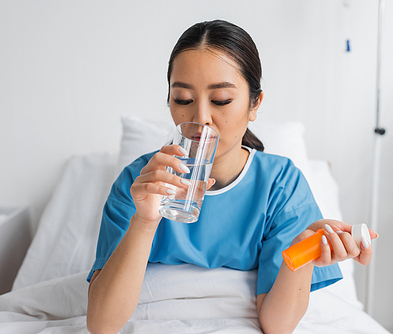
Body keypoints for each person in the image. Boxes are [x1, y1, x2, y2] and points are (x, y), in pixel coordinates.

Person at [86, 19, 376, 334]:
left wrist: (303, 252)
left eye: (221, 100)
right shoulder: (140, 182)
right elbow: (101, 324)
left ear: (254, 104)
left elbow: (277, 325)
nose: (201, 118)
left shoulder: (281, 185)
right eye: (183, 99)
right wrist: (144, 221)